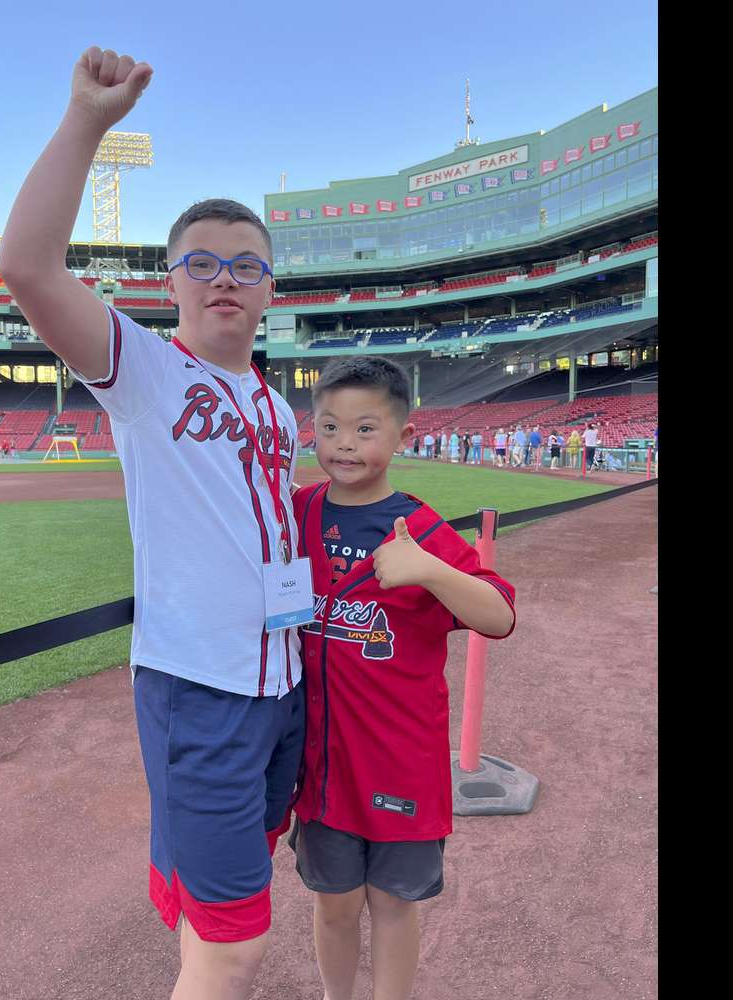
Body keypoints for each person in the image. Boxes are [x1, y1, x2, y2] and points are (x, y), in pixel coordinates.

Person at [0, 46, 306, 1000]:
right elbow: (28, 267)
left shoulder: (275, 402)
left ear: (268, 288)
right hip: (199, 687)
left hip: (285, 680)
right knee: (238, 943)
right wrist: (87, 120)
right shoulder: (144, 368)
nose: (225, 278)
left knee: (232, 877)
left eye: (246, 265)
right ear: (171, 279)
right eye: (202, 263)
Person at [290, 356, 516, 1000]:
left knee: (392, 904)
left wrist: (429, 570)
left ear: (402, 438)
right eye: (329, 427)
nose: (344, 445)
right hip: (325, 765)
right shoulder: (301, 512)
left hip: (400, 761)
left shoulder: (418, 529)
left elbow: (498, 615)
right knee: (334, 904)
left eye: (365, 429)